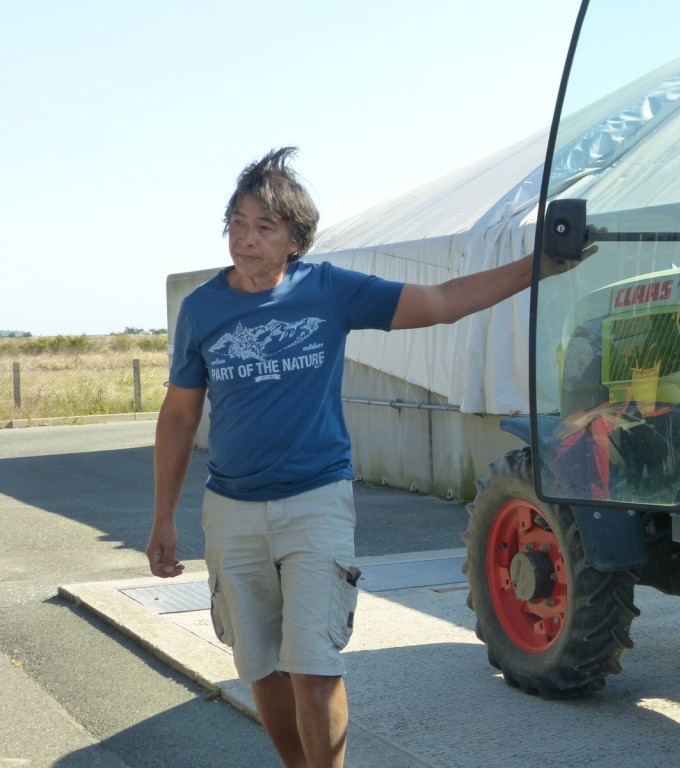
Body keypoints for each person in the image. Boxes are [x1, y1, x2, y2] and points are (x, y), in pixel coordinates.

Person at [145, 146, 534, 768]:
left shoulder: (330, 291)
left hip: (316, 501)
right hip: (232, 509)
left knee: (316, 663)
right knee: (260, 666)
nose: (245, 241)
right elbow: (180, 416)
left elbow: (438, 303)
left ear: (294, 239)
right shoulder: (202, 310)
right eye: (237, 224)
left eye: (263, 227)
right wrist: (164, 518)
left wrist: (534, 268)